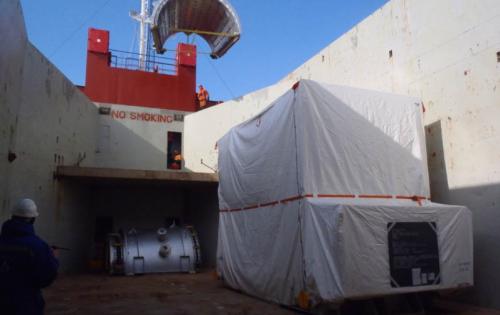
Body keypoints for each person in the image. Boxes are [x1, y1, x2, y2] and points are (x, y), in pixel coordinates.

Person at [0, 198, 59, 315]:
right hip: (26, 305)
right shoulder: (39, 246)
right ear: (33, 219)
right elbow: (46, 278)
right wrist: (54, 258)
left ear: (12, 216)